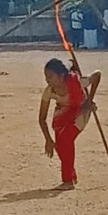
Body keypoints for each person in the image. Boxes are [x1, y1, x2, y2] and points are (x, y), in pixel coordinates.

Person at [39, 59, 101, 191]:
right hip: (62, 114)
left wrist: (89, 100)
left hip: (81, 110)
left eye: (50, 77)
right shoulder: (49, 91)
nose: (47, 80)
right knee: (60, 146)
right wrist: (48, 140)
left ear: (61, 77)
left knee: (66, 139)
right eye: (46, 77)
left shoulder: (76, 82)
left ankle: (68, 181)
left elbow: (97, 74)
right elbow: (42, 118)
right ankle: (71, 176)